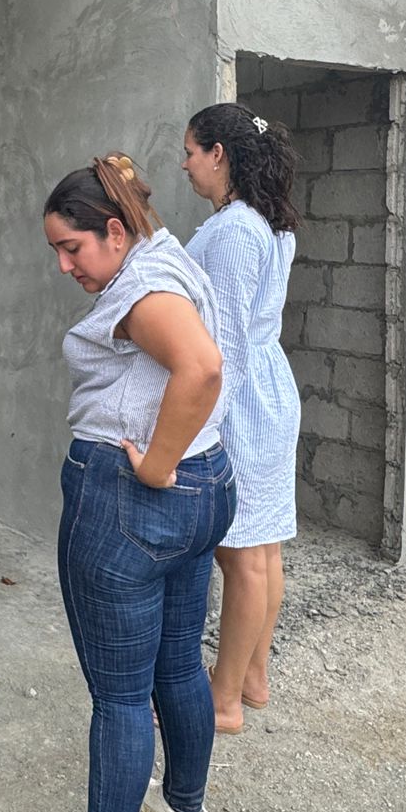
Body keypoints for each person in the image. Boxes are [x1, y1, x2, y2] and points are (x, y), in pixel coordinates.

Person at [23, 155, 236, 812]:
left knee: (120, 696)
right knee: (177, 663)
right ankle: (185, 808)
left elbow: (201, 366)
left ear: (115, 231)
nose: (64, 265)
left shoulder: (144, 290)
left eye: (71, 247)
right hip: (204, 488)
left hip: (131, 500)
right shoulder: (162, 254)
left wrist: (153, 463)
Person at [179, 103, 300, 736]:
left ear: (218, 154)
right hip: (268, 387)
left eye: (190, 152)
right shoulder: (269, 221)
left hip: (243, 401)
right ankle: (252, 679)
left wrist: (197, 425)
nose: (185, 164)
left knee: (242, 556)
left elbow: (220, 343)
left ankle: (223, 701)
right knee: (264, 550)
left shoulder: (233, 231)